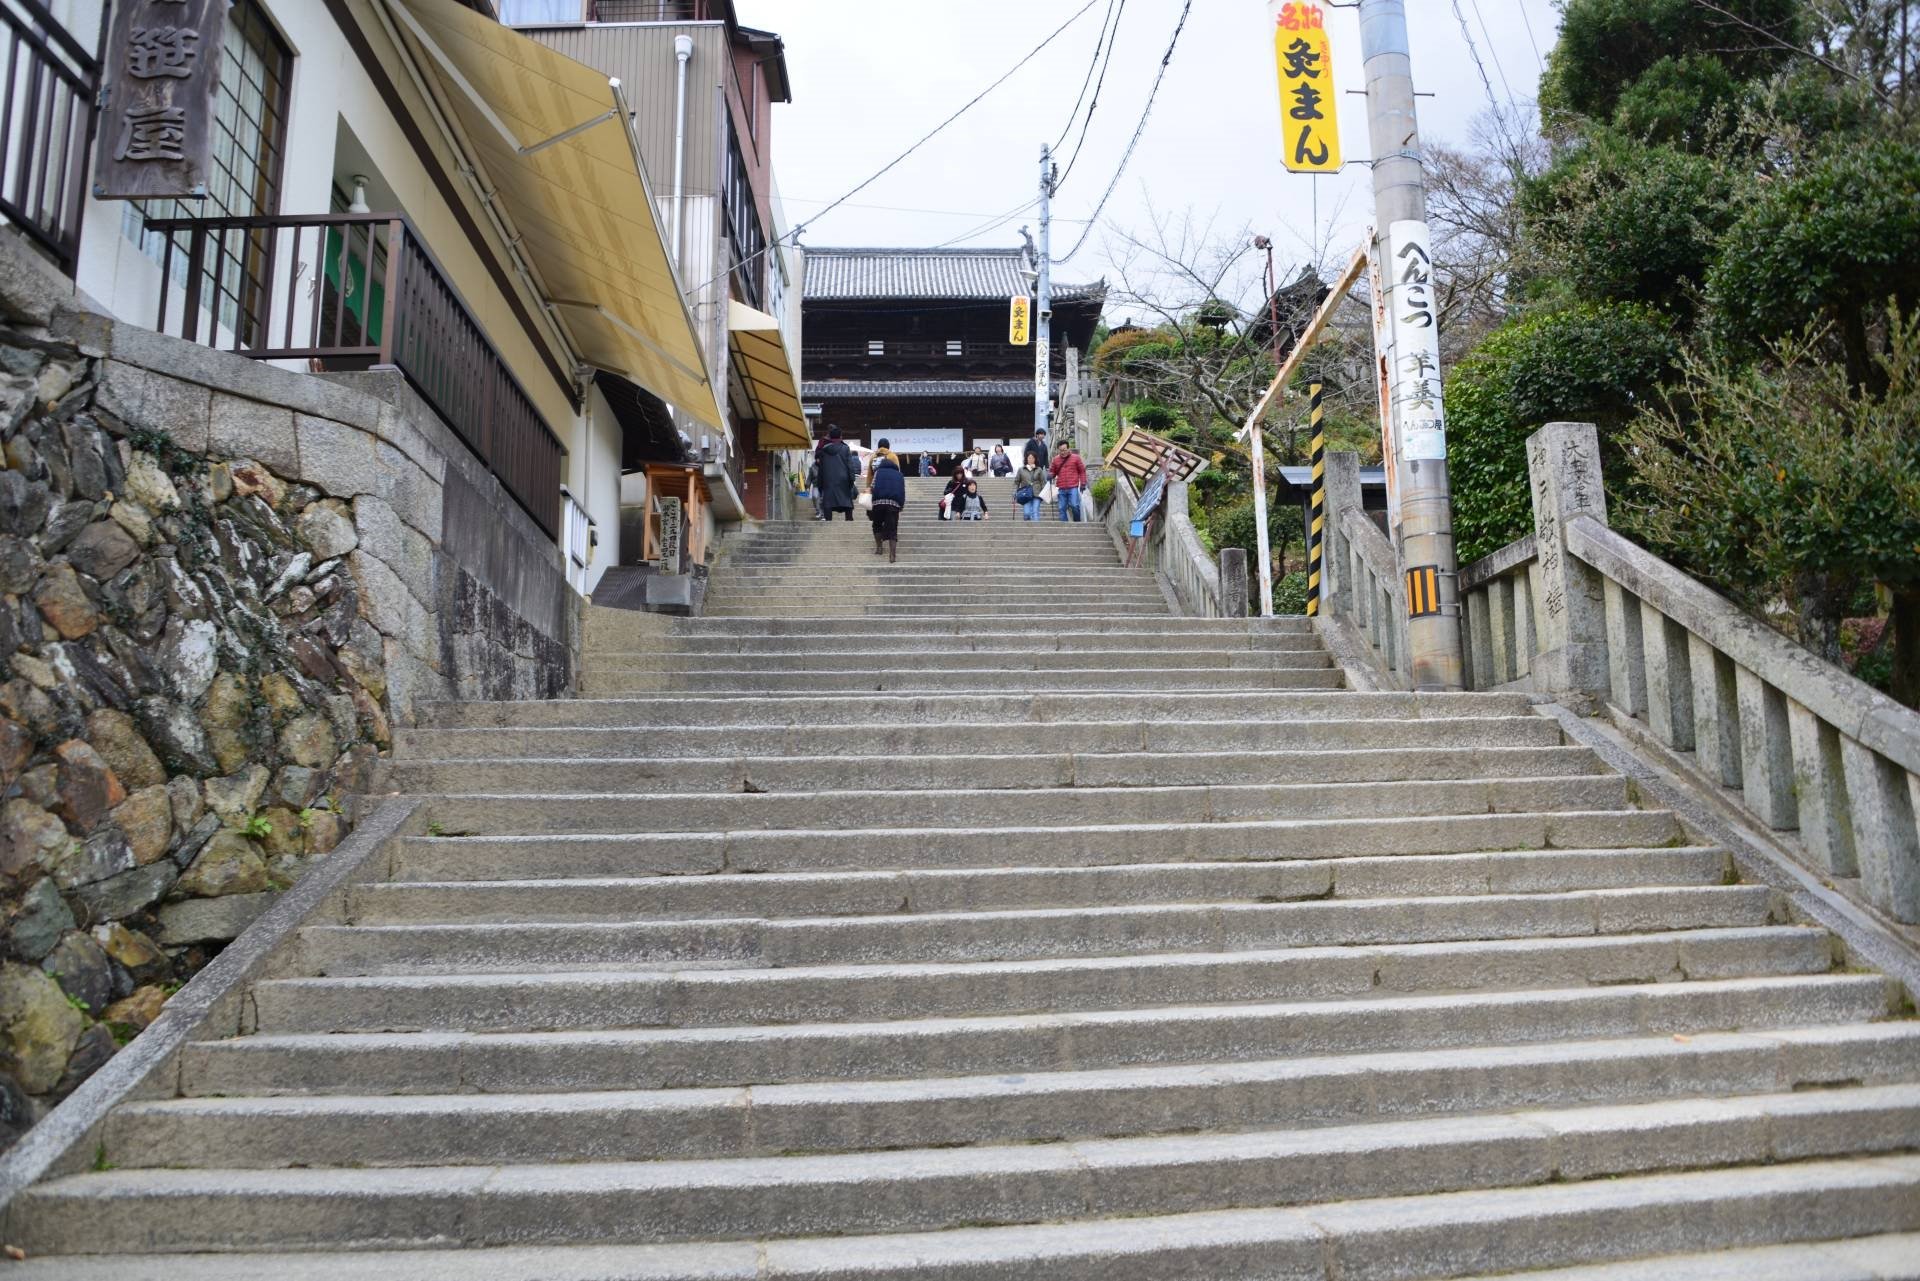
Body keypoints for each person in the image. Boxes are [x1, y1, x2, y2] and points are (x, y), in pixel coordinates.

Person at [815, 426, 859, 522]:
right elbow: (850, 466)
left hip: (828, 481)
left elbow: (821, 469)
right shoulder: (845, 449)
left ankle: (828, 522)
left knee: (828, 504)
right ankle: (849, 522)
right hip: (844, 481)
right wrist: (852, 480)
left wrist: (820, 484)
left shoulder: (824, 451)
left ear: (830, 438)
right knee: (847, 504)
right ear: (841, 437)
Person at [868, 448, 906, 562]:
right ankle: (892, 555)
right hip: (893, 504)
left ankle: (879, 548)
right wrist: (901, 505)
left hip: (878, 503)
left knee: (877, 524)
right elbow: (902, 491)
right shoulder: (899, 475)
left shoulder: (878, 472)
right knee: (892, 529)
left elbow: (872, 487)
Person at [1050, 440, 1087, 523]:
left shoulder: (1076, 458)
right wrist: (1050, 475)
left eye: (1064, 450)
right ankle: (1065, 526)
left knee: (1074, 505)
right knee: (1061, 508)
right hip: (1061, 487)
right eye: (1060, 450)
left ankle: (1077, 522)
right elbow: (1053, 471)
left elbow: (1082, 471)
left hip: (1073, 486)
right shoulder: (1055, 459)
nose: (1063, 452)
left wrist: (1083, 483)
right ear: (1058, 450)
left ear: (1068, 448)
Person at [1013, 449, 1048, 521]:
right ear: (1026, 459)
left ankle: (1036, 530)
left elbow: (1043, 482)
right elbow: (1016, 482)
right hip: (1025, 494)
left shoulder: (1039, 469)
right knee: (1027, 513)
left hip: (1037, 494)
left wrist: (1045, 493)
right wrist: (1014, 491)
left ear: (1035, 459)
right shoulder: (1021, 469)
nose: (1031, 459)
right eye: (1029, 458)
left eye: (1032, 458)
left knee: (1035, 512)